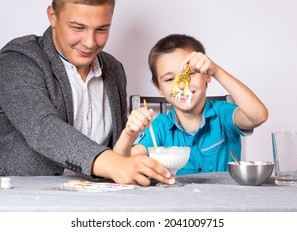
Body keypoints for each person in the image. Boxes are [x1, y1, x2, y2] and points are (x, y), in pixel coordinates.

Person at [0, 0, 174, 186]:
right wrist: (114, 164)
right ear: (53, 16)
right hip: (15, 201)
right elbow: (42, 128)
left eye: (101, 29)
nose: (90, 42)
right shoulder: (18, 58)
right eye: (78, 28)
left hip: (94, 205)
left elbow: (118, 150)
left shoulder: (114, 69)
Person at [114, 34, 268, 174]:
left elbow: (258, 115)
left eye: (190, 74)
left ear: (207, 75)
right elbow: (120, 165)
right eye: (169, 79)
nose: (181, 86)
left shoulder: (222, 115)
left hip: (225, 202)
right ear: (159, 88)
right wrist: (128, 135)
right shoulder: (160, 127)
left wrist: (216, 70)